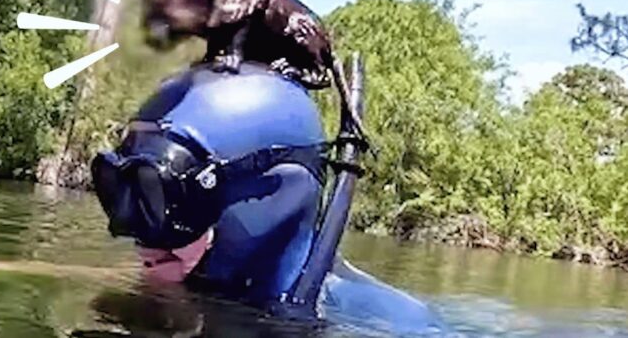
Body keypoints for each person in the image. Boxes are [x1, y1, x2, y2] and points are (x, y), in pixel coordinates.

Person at [91, 62, 447, 335]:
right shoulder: (181, 279)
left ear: (267, 197)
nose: (130, 230)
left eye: (161, 194)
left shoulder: (390, 323)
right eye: (119, 188)